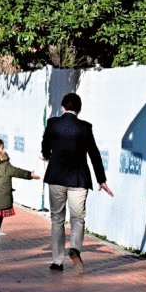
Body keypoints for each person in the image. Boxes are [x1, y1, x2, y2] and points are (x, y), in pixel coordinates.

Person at [41, 93, 114, 273]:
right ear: (79, 110)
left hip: (56, 177)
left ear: (62, 107)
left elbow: (45, 146)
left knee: (57, 219)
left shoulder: (52, 123)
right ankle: (75, 248)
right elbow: (94, 154)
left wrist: (47, 156)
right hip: (79, 179)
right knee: (77, 218)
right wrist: (101, 180)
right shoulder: (85, 127)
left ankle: (57, 261)